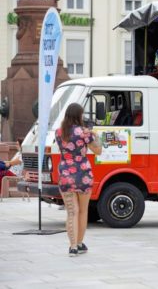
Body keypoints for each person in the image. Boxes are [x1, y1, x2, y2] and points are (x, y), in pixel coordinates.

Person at [55, 103, 102, 257]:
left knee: (71, 212)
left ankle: (73, 246)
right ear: (79, 116)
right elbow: (98, 151)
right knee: (82, 211)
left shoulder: (58, 132)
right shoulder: (84, 132)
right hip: (83, 174)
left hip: (65, 174)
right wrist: (96, 135)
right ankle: (80, 243)